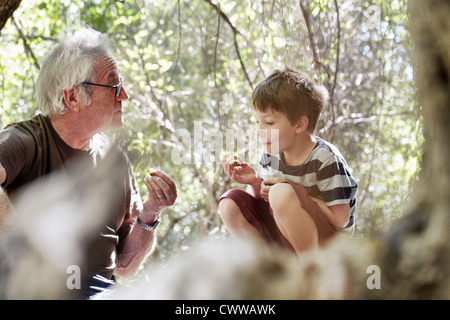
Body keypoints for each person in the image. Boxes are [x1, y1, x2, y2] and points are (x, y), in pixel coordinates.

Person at [0, 28, 177, 298]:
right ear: (73, 98)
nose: (125, 95)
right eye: (114, 85)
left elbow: (125, 265)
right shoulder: (25, 140)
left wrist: (152, 211)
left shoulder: (114, 159)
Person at [219, 67, 357, 257]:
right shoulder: (271, 156)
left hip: (328, 248)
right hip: (287, 239)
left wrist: (293, 192)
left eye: (268, 123)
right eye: (257, 122)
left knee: (282, 192)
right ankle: (270, 267)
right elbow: (267, 202)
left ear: (299, 124)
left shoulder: (325, 158)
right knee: (229, 203)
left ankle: (311, 272)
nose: (259, 130)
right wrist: (253, 181)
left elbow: (340, 219)